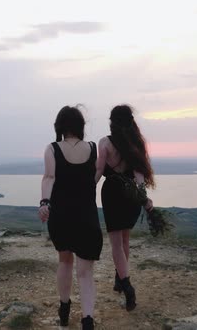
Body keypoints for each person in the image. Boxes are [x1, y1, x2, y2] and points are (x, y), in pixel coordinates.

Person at [39, 105, 103, 330]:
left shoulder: (52, 149)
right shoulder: (94, 149)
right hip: (87, 217)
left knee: (65, 262)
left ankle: (64, 308)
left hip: (61, 216)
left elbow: (48, 178)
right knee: (86, 273)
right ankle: (87, 319)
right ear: (81, 126)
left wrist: (44, 203)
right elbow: (93, 178)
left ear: (60, 126)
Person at [95, 104, 155, 311]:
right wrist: (144, 199)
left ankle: (127, 286)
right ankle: (120, 279)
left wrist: (82, 191)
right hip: (130, 197)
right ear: (130, 122)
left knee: (116, 244)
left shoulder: (104, 143)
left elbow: (97, 173)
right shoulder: (136, 144)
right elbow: (139, 179)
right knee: (125, 240)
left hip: (111, 194)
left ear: (112, 122)